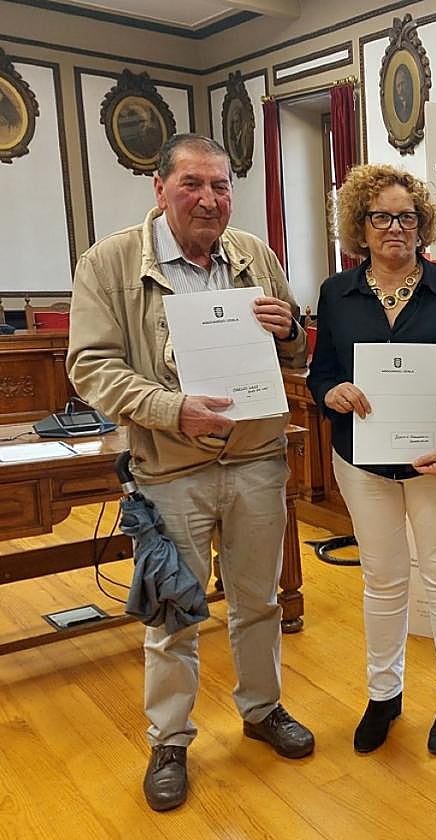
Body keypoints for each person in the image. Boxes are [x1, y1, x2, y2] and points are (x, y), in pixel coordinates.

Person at [66, 133, 314, 813]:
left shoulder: (254, 255)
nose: (209, 199)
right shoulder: (109, 262)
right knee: (173, 613)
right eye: (193, 184)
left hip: (259, 461)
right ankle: (170, 739)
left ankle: (263, 711)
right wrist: (172, 409)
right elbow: (89, 367)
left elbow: (294, 347)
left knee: (260, 602)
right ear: (160, 188)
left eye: (222, 185)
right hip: (170, 468)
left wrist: (288, 325)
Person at [307, 164, 436, 756]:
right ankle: (384, 694)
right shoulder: (336, 294)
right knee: (382, 579)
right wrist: (329, 393)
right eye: (381, 216)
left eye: (406, 216)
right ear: (360, 225)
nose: (394, 227)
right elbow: (321, 375)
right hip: (363, 460)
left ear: (422, 223)